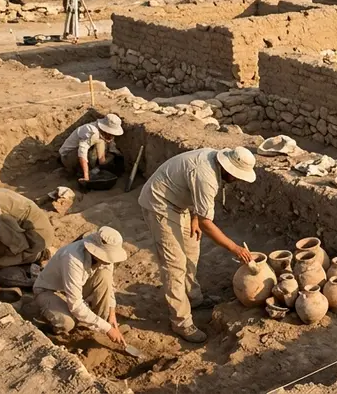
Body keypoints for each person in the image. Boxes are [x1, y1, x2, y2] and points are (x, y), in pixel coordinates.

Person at [139, 147, 257, 342]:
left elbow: (193, 192)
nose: (238, 181)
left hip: (181, 204)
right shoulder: (206, 176)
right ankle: (181, 322)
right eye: (237, 176)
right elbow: (207, 223)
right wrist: (234, 248)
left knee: (191, 250)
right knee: (174, 265)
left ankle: (193, 298)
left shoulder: (214, 164)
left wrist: (194, 216)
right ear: (229, 169)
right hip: (160, 203)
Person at [27, 226, 127, 345]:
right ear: (96, 251)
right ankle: (51, 329)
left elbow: (108, 286)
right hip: (49, 291)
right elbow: (75, 304)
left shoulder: (105, 258)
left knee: (105, 276)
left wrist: (112, 315)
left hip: (75, 286)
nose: (109, 261)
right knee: (67, 323)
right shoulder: (72, 258)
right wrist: (108, 329)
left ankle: (98, 324)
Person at [60, 114, 123, 184]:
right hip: (68, 157)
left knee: (101, 142)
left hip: (81, 153)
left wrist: (117, 156)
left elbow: (111, 146)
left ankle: (96, 168)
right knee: (97, 142)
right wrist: (86, 177)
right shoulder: (92, 131)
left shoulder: (101, 133)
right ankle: (81, 172)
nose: (112, 136)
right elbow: (82, 152)